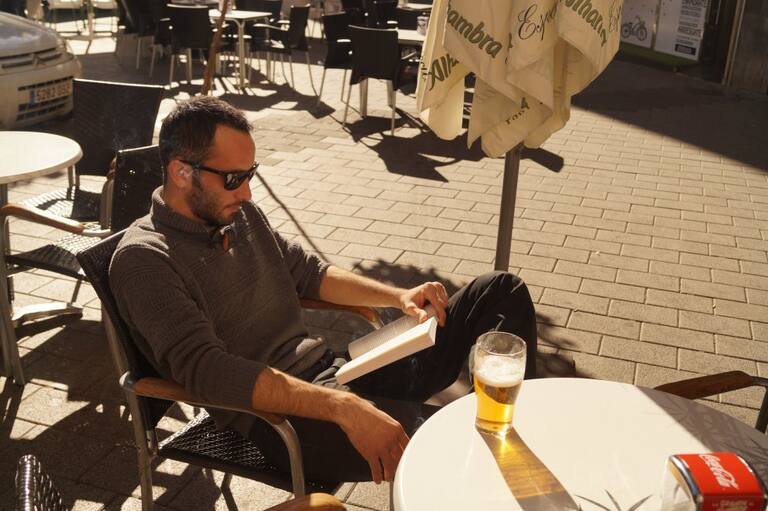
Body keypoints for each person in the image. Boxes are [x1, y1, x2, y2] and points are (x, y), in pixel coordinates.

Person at [110, 96, 538, 484]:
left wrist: (398, 297)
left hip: (337, 373)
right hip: (278, 420)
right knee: (451, 441)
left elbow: (310, 273)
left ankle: (527, 420)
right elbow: (209, 372)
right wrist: (340, 406)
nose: (247, 191)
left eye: (250, 174)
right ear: (181, 172)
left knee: (499, 290)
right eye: (234, 178)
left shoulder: (237, 214)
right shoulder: (145, 260)